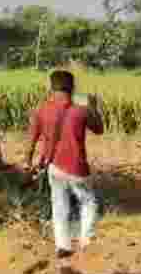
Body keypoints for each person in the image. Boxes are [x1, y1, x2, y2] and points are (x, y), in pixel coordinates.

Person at [24, 69, 106, 261]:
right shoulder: (81, 111)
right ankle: (86, 240)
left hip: (54, 166)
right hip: (77, 167)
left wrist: (28, 164)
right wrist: (93, 107)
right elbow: (99, 129)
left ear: (51, 88)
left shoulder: (42, 110)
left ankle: (63, 245)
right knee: (88, 201)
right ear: (72, 88)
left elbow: (30, 142)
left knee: (59, 205)